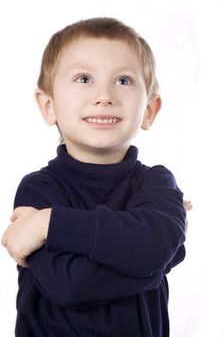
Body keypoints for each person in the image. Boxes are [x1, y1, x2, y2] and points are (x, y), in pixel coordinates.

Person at [1, 17, 191, 337]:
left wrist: (49, 224)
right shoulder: (39, 188)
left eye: (123, 81)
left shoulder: (156, 183)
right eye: (84, 78)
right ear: (48, 106)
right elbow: (72, 286)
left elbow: (155, 248)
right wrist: (163, 258)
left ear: (149, 110)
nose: (104, 95)